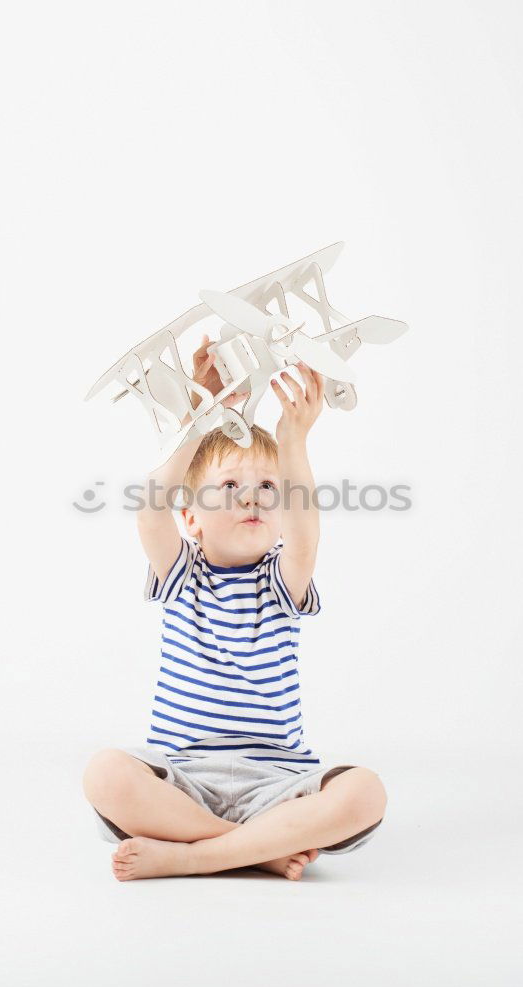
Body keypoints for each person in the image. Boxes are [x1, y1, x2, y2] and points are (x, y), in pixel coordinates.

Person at [82, 334, 387, 881]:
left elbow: (305, 536)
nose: (252, 497)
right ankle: (255, 850)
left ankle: (194, 856)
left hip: (277, 784)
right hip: (182, 781)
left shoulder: (281, 580)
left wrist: (293, 440)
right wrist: (199, 418)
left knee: (365, 793)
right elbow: (150, 512)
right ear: (191, 518)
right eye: (229, 486)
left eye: (268, 486)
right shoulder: (183, 574)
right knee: (104, 773)